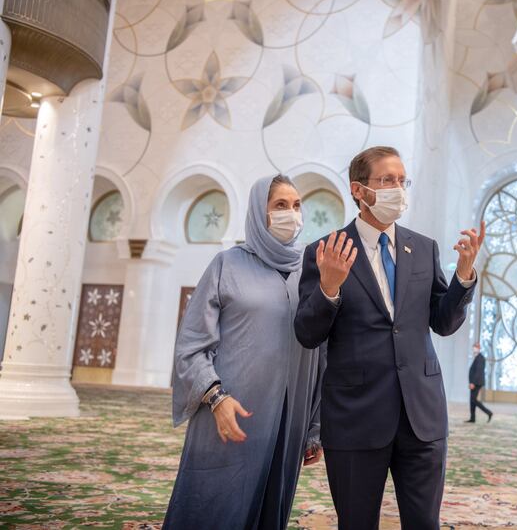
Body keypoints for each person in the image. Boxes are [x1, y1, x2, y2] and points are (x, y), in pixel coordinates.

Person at [294, 146, 485, 530]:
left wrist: (464, 279)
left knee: (424, 523)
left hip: (422, 416)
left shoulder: (423, 248)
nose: (398, 189)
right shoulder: (326, 251)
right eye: (387, 180)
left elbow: (443, 322)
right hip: (356, 417)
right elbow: (307, 333)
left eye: (402, 180)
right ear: (359, 190)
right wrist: (329, 289)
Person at [164, 175, 324, 530]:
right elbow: (191, 345)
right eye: (280, 205)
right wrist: (217, 398)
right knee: (215, 507)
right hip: (230, 414)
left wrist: (314, 428)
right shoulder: (228, 265)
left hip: (288, 422)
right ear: (258, 212)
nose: (292, 214)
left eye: (297, 205)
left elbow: (321, 355)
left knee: (270, 511)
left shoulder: (311, 271)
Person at [465, 343, 492, 423]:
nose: (474, 349)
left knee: (473, 400)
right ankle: (472, 418)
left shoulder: (480, 358)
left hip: (477, 382)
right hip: (475, 382)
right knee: (472, 400)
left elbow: (478, 372)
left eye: (475, 347)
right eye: (473, 347)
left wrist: (472, 383)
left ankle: (489, 412)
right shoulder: (477, 357)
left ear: (479, 348)